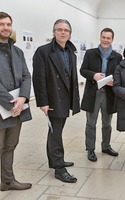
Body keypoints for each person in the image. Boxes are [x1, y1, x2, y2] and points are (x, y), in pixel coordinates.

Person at [32, 19, 80, 183]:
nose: (63, 32)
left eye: (66, 30)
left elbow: (71, 75)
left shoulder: (70, 51)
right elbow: (38, 78)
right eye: (59, 29)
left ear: (70, 33)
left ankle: (55, 160)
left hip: (66, 98)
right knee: (55, 134)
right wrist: (43, 102)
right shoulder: (43, 51)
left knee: (55, 132)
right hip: (53, 99)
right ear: (54, 32)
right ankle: (59, 168)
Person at [0, 11, 32, 191]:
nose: (5, 27)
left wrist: (23, 98)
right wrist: (11, 101)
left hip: (17, 107)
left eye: (8, 24)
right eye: (1, 24)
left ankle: (7, 181)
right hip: (4, 106)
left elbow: (26, 75)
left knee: (10, 145)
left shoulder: (17, 51)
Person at [80, 28, 122, 162]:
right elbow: (82, 70)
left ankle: (106, 146)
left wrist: (114, 82)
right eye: (103, 37)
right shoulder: (90, 53)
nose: (105, 40)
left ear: (112, 40)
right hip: (93, 93)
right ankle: (90, 149)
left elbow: (119, 74)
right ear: (100, 37)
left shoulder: (117, 57)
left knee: (107, 123)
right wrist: (94, 75)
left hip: (109, 94)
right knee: (91, 123)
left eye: (108, 38)